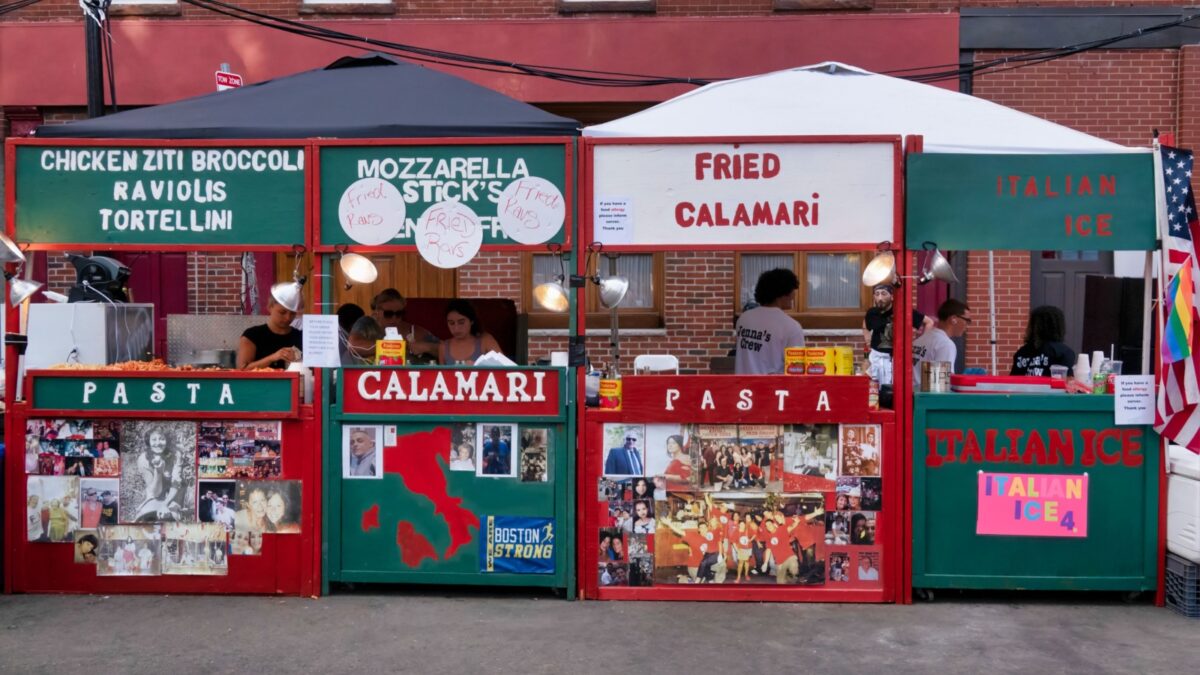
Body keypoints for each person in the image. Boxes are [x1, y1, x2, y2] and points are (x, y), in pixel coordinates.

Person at [734, 268, 806, 374]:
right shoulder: (791, 327)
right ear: (782, 293)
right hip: (771, 388)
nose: (794, 296)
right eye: (792, 291)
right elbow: (797, 368)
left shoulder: (744, 319)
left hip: (742, 387)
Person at [863, 284, 932, 384]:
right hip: (876, 358)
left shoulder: (902, 311)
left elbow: (929, 322)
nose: (880, 298)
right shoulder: (872, 312)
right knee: (875, 392)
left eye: (883, 294)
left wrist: (921, 343)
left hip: (896, 359)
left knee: (894, 391)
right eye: (877, 294)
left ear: (892, 296)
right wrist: (868, 340)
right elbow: (865, 325)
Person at [912, 298, 972, 384]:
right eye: (967, 321)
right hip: (925, 396)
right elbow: (941, 384)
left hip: (914, 393)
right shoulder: (945, 344)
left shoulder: (923, 339)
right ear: (953, 319)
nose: (967, 326)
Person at [134, 425, 187, 522]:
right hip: (156, 489)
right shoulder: (143, 459)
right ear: (148, 442)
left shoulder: (176, 454)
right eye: (154, 439)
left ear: (167, 440)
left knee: (172, 514)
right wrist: (158, 471)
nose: (158, 443)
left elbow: (176, 483)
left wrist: (165, 504)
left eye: (162, 439)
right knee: (147, 513)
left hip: (175, 489)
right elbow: (155, 492)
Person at [370, 289, 439, 360]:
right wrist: (399, 346)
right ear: (377, 312)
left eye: (399, 314)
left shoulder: (414, 331)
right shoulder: (367, 324)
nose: (394, 318)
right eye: (388, 314)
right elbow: (358, 345)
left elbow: (446, 350)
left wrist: (428, 347)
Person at [238, 297, 303, 370]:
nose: (288, 317)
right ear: (270, 307)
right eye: (282, 312)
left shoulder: (302, 337)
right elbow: (242, 370)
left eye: (292, 313)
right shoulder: (252, 335)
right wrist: (272, 358)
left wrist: (298, 360)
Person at [1010, 305, 1076, 377]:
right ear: (1058, 326)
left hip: (1025, 388)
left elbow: (1013, 382)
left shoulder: (1021, 353)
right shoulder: (1064, 352)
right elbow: (1068, 382)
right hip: (1051, 388)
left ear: (1033, 325)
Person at [440, 299, 502, 366]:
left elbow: (505, 366)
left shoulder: (485, 340)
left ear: (471, 321)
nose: (456, 328)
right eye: (451, 323)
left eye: (461, 322)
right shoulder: (443, 347)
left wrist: (477, 366)